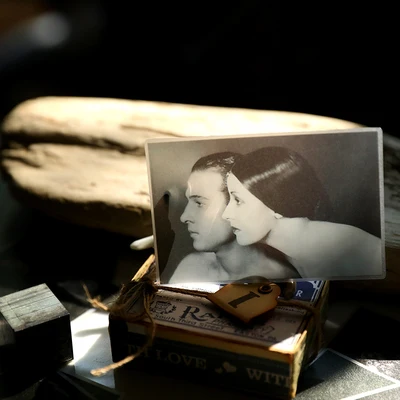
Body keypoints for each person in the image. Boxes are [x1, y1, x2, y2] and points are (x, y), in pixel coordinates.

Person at [222, 146, 384, 279]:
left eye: (238, 200)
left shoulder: (333, 252)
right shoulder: (298, 250)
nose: (226, 214)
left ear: (277, 201)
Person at [169, 151, 298, 283]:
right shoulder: (190, 267)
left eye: (199, 203)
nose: (184, 217)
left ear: (238, 202)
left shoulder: (282, 279)